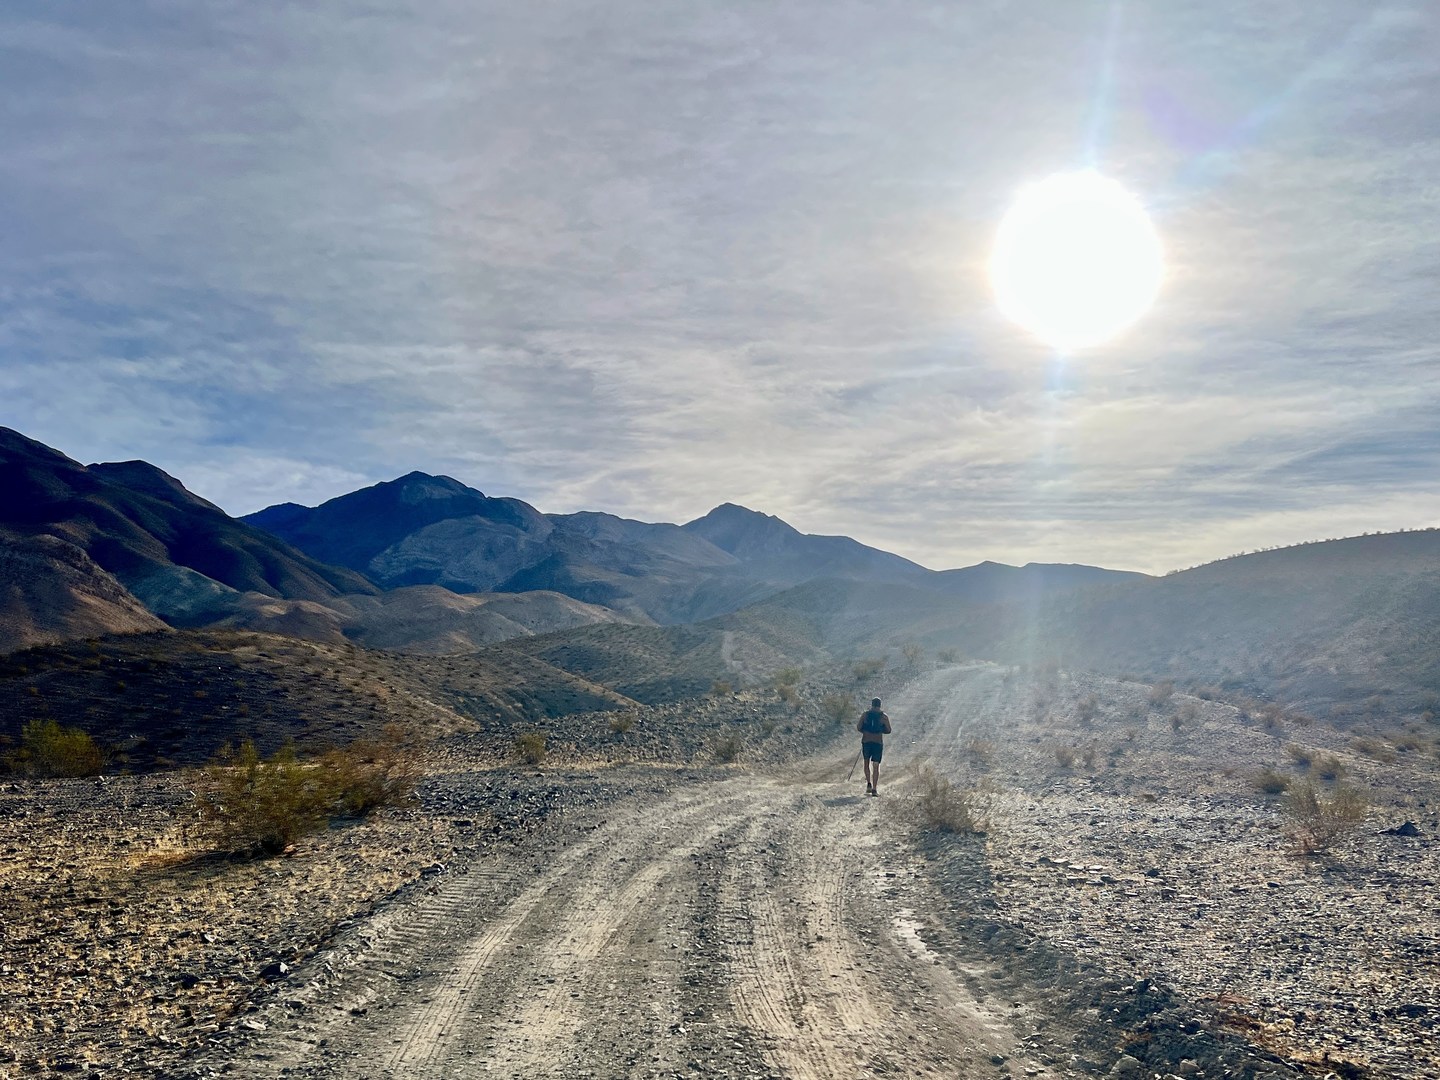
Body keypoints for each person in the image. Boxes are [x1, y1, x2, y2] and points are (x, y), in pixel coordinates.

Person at [856, 697, 891, 797]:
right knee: (876, 766)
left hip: (866, 741)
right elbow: (889, 730)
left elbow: (858, 727)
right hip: (877, 742)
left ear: (872, 704)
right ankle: (874, 789)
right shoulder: (884, 716)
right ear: (880, 705)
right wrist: (881, 730)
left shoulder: (865, 715)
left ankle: (868, 784)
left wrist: (865, 732)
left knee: (866, 763)